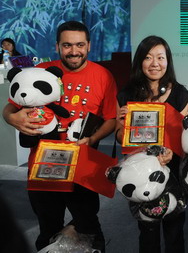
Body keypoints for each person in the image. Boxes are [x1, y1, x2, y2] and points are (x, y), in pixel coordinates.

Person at [2, 21, 117, 252]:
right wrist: (13, 119)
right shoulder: (41, 71)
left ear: (89, 45)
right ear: (57, 46)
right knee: (47, 228)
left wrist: (92, 140)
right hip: (43, 164)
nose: (74, 51)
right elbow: (10, 108)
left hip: (82, 163)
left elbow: (111, 119)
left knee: (88, 226)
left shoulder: (103, 75)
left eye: (79, 45)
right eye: (67, 45)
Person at [116, 36, 188, 253]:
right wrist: (124, 122)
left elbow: (184, 139)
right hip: (140, 173)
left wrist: (169, 152)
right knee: (147, 230)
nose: (154, 63)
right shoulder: (126, 94)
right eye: (148, 57)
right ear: (140, 61)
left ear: (168, 61)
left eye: (160, 57)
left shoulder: (180, 94)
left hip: (173, 172)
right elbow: (120, 138)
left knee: (174, 230)